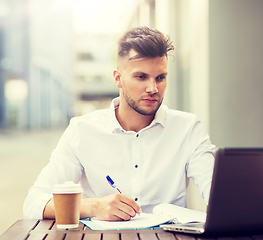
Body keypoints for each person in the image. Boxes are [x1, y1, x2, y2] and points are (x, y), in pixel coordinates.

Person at [23, 26, 215, 221]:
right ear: (118, 79)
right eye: (141, 77)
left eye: (160, 78)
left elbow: (218, 192)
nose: (153, 88)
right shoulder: (82, 130)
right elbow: (34, 203)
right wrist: (94, 206)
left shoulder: (188, 128)